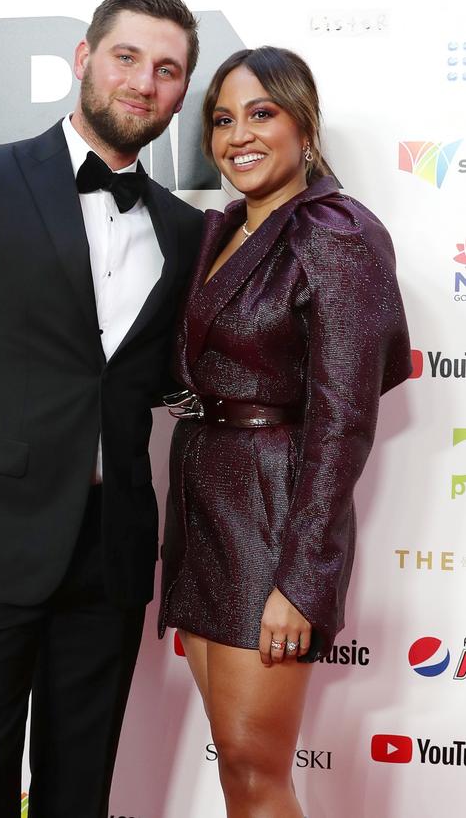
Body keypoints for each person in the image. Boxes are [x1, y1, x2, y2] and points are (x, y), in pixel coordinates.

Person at [0, 0, 203, 818]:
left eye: (168, 70)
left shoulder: (182, 228)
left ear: (181, 91)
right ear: (85, 60)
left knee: (80, 791)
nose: (144, 82)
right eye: (127, 57)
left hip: (112, 553)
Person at [159, 47, 411, 817]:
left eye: (261, 113)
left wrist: (301, 580)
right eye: (223, 119)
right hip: (207, 503)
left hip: (273, 514)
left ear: (305, 123)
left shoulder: (335, 232)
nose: (239, 134)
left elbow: (342, 423)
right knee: (237, 760)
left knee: (255, 764)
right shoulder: (225, 227)